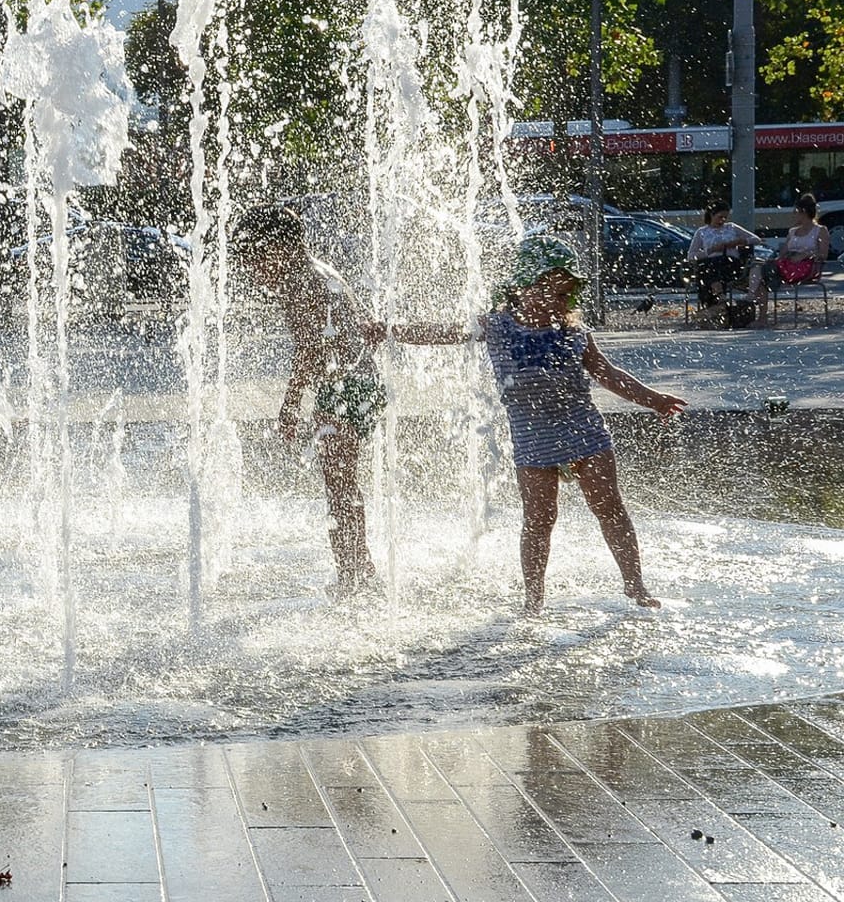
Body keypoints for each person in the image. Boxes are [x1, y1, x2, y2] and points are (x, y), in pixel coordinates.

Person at [369, 237, 684, 615]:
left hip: (583, 429)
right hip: (534, 439)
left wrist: (655, 399)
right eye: (549, 290)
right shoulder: (498, 326)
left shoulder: (574, 332)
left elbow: (609, 374)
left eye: (564, 293)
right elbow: (444, 332)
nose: (556, 301)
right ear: (523, 286)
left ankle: (635, 586)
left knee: (610, 509)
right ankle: (533, 600)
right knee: (538, 520)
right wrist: (390, 330)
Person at [230, 205, 381, 597]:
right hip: (359, 383)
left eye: (254, 257)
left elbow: (309, 350)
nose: (252, 269)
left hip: (345, 388)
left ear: (279, 247)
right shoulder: (317, 270)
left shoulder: (299, 282)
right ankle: (358, 568)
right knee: (342, 483)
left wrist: (290, 406)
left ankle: (354, 575)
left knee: (339, 486)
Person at [686, 202, 765, 326]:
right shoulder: (702, 232)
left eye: (725, 217)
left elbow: (756, 239)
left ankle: (718, 296)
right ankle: (718, 296)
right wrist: (711, 250)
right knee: (706, 266)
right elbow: (691, 256)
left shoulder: (731, 227)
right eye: (720, 217)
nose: (722, 220)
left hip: (730, 263)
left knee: (712, 266)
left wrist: (739, 241)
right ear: (712, 215)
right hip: (711, 262)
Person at [770, 193, 831, 290]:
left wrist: (805, 255)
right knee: (760, 267)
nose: (793, 215)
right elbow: (782, 253)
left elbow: (823, 254)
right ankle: (755, 295)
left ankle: (753, 294)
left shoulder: (820, 230)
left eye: (796, 212)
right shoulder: (792, 231)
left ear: (803, 213)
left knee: (764, 273)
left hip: (807, 267)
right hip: (788, 265)